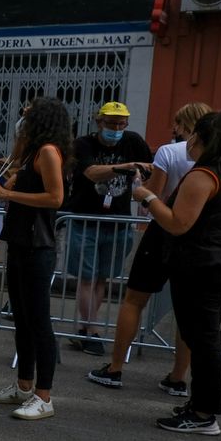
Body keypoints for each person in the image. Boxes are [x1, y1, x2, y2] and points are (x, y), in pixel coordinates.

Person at [129, 110, 221, 435]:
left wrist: (148, 197)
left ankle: (203, 413)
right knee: (202, 336)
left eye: (194, 134)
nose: (188, 140)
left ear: (204, 138)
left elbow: (177, 222)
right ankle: (201, 405)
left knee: (203, 340)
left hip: (201, 264)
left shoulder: (205, 175)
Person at [87, 102, 212, 393]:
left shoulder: (170, 152)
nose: (176, 130)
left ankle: (116, 367)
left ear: (185, 126)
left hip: (163, 229)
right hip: (197, 235)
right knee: (187, 310)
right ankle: (179, 377)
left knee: (134, 300)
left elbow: (153, 198)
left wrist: (142, 188)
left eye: (178, 125)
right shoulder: (219, 158)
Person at [0, 97, 73, 420]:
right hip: (21, 242)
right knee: (21, 317)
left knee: (39, 321)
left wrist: (7, 195)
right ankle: (23, 385)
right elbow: (15, 172)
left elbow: (55, 197)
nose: (22, 119)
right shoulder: (31, 152)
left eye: (28, 116)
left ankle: (44, 395)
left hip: (38, 246)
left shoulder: (49, 151)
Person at [65, 101, 153, 356]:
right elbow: (91, 172)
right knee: (86, 277)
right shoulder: (83, 144)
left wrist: (143, 179)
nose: (116, 129)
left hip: (117, 220)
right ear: (99, 122)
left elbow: (149, 168)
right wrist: (122, 167)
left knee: (102, 277)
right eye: (111, 123)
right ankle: (91, 330)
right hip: (85, 219)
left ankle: (85, 327)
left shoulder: (133, 141)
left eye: (121, 124)